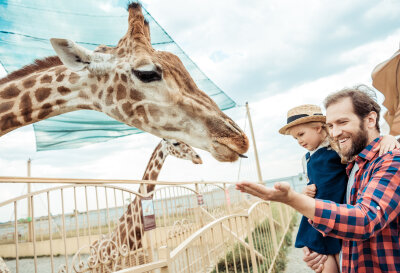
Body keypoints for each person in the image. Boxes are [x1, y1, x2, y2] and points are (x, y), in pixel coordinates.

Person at [237, 86, 400, 273]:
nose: (334, 132)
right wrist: (325, 247)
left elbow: (365, 220)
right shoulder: (352, 164)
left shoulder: (391, 160)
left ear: (371, 120)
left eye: (342, 122)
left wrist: (292, 199)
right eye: (330, 125)